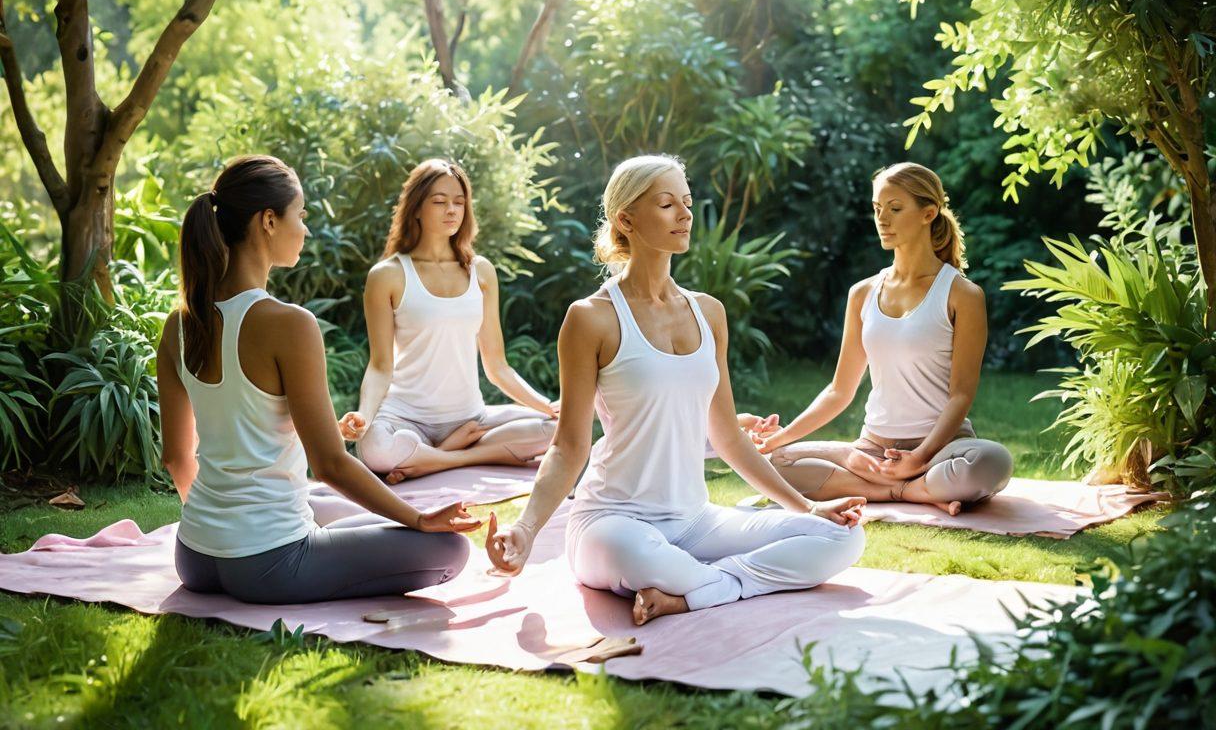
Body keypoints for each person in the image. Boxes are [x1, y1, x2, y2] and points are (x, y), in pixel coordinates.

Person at [485, 155, 866, 626]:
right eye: (667, 204)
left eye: (686, 202)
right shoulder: (590, 318)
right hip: (612, 524)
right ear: (626, 219)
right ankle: (710, 584)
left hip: (694, 521)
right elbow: (568, 446)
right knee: (647, 558)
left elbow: (728, 438)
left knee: (842, 538)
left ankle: (695, 591)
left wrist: (809, 507)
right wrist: (525, 528)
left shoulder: (709, 313)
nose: (685, 214)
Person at [158, 155, 479, 605]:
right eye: (301, 215)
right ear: (269, 221)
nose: (305, 229)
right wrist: (421, 520)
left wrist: (222, 528)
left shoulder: (178, 325)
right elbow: (329, 464)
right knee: (449, 549)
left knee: (339, 512)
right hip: (269, 564)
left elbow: (176, 457)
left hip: (194, 556)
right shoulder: (289, 324)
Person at [756, 162, 1014, 516]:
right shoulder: (862, 293)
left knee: (991, 461)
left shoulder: (962, 294)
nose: (883, 219)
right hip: (872, 450)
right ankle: (907, 491)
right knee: (774, 462)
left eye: (895, 209)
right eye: (878, 209)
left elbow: (961, 395)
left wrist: (919, 457)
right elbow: (839, 390)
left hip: (940, 450)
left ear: (928, 213)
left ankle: (895, 486)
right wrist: (780, 439)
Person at [338, 159, 557, 484]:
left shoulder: (480, 271)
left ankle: (440, 459)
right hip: (405, 417)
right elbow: (381, 366)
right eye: (439, 201)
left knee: (555, 429)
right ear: (415, 208)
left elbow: (497, 367)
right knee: (375, 449)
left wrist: (547, 406)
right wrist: (364, 416)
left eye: (459, 202)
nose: (452, 210)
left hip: (469, 419)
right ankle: (457, 455)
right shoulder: (388, 275)